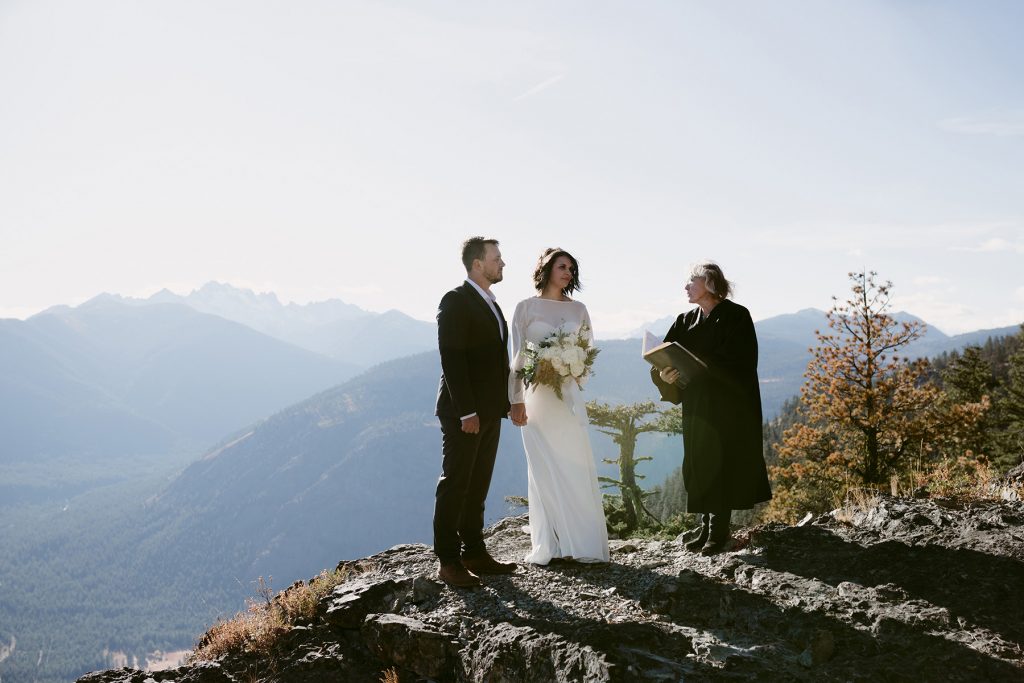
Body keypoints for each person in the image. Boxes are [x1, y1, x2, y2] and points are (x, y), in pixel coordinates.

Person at [650, 262, 772, 555]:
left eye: (692, 280)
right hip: (697, 405)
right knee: (701, 464)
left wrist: (699, 366)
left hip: (728, 406)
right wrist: (663, 375)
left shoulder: (736, 317)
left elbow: (741, 362)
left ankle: (719, 531)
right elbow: (663, 357)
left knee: (723, 464)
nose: (686, 287)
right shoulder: (684, 320)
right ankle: (705, 526)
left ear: (710, 283)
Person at [508, 248, 610, 565]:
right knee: (543, 469)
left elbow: (587, 353)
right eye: (561, 266)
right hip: (536, 396)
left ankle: (582, 544)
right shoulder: (525, 307)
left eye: (571, 268)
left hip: (566, 397)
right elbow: (515, 360)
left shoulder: (579, 309)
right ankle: (551, 544)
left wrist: (571, 370)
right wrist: (515, 400)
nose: (567, 272)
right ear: (546, 269)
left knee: (575, 465)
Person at [433, 237, 518, 588]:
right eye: (497, 258)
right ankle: (448, 561)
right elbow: (451, 358)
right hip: (463, 413)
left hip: (488, 412)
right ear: (477, 264)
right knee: (455, 484)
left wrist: (507, 403)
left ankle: (475, 552)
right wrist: (467, 411)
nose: (503, 263)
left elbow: (497, 362)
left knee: (478, 483)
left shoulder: (493, 305)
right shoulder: (455, 300)